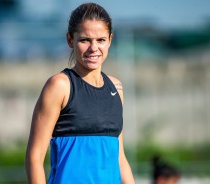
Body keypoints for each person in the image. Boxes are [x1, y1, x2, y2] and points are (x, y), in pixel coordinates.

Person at [25, 2, 135, 184]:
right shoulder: (60, 85)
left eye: (101, 40)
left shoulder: (116, 88)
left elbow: (120, 158)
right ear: (70, 40)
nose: (94, 48)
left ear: (110, 40)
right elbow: (35, 157)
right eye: (85, 40)